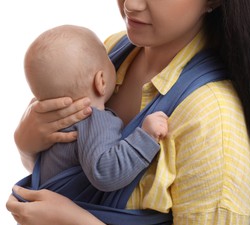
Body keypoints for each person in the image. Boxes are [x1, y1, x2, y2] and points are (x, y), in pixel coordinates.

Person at [7, 0, 250, 225]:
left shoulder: (211, 118)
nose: (131, 4)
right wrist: (26, 145)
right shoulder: (114, 51)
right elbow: (67, 171)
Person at [23, 24, 168, 189]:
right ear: (101, 81)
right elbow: (105, 173)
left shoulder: (53, 124)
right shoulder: (94, 120)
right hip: (68, 209)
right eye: (107, 58)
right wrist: (145, 137)